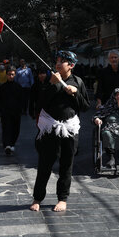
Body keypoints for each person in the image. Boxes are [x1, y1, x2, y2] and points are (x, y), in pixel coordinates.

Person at [30, 51, 90, 212]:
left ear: (71, 65)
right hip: (50, 129)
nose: (58, 63)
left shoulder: (78, 81)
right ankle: (37, 198)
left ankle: (62, 198)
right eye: (57, 60)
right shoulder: (50, 80)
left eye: (62, 61)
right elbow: (40, 103)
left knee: (66, 164)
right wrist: (51, 84)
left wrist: (76, 93)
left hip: (70, 129)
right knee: (44, 164)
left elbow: (84, 106)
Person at [0, 66, 23, 155]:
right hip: (6, 112)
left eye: (12, 74)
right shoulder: (2, 87)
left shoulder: (18, 87)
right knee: (6, 129)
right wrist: (1, 110)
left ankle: (12, 144)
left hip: (16, 113)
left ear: (15, 75)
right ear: (6, 75)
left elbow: (21, 100)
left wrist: (20, 110)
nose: (11, 76)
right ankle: (7, 145)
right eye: (9, 74)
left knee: (16, 129)